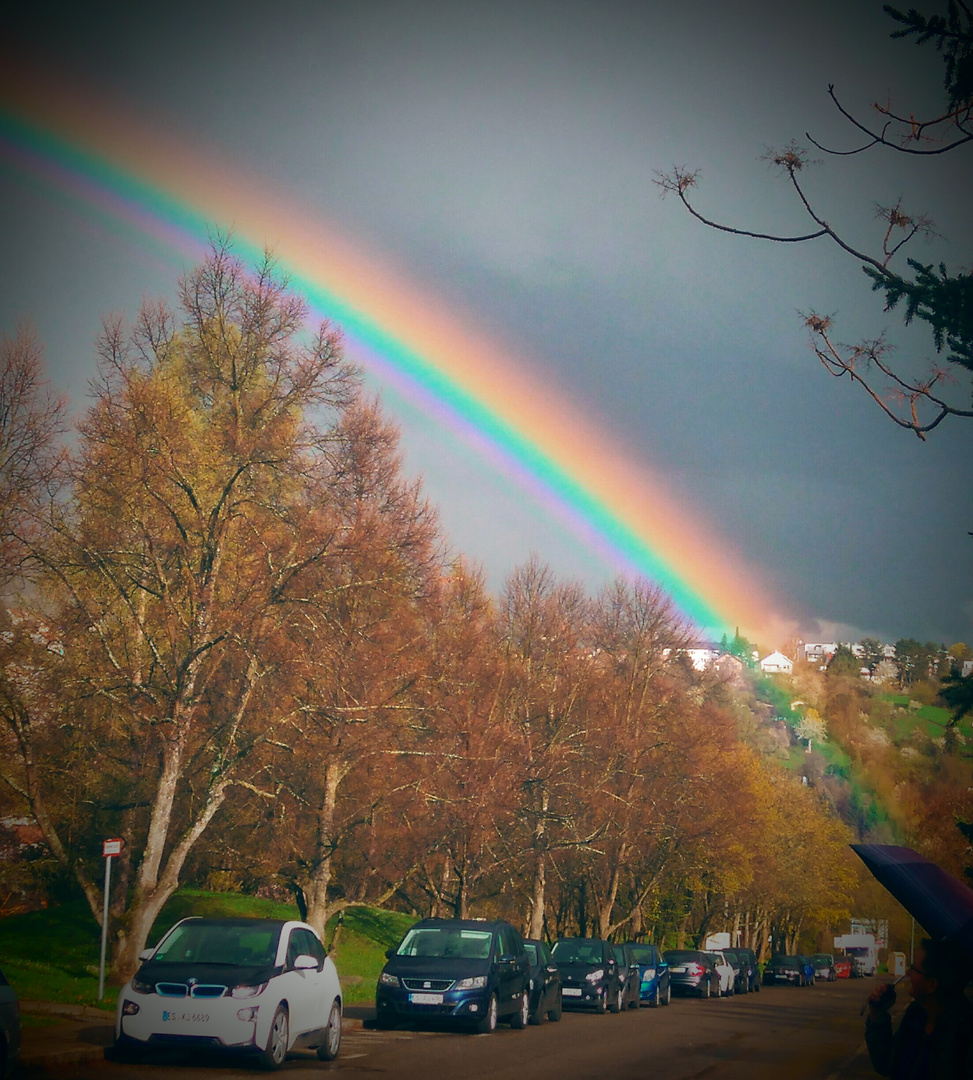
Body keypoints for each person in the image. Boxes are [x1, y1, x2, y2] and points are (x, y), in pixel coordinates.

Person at [864, 938, 973, 1078]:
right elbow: (887, 1064)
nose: (908, 972)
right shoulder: (916, 1015)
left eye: (914, 968)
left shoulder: (963, 1034)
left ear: (931, 984)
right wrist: (878, 1014)